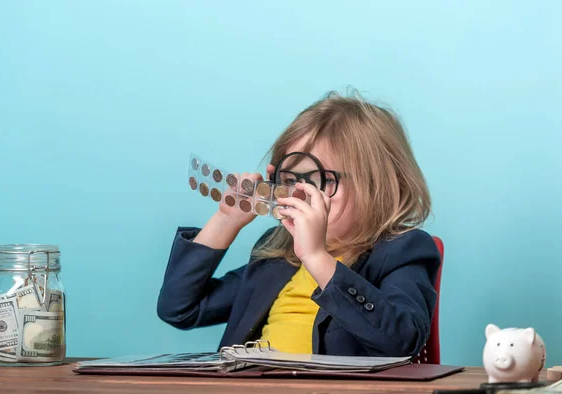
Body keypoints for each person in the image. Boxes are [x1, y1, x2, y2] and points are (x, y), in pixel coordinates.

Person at [157, 90, 441, 357]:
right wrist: (226, 221)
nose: (303, 194)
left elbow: (403, 341)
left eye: (326, 180)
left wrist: (316, 257)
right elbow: (179, 309)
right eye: (291, 181)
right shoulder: (277, 254)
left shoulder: (403, 251)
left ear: (378, 186)